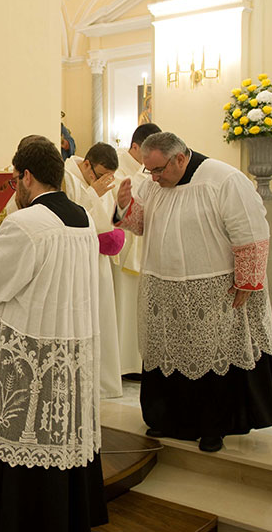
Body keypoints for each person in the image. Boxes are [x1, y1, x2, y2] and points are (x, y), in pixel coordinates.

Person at [0, 135, 107, 532]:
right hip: (67, 349)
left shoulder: (27, 222)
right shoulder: (83, 218)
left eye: (17, 178)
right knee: (58, 438)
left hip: (30, 354)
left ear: (27, 176)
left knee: (25, 437)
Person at [115, 132, 272, 452]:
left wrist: (248, 279)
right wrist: (126, 206)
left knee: (211, 356)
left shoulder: (223, 179)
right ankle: (167, 418)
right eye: (148, 170)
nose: (152, 177)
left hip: (213, 288)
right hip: (161, 287)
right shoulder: (153, 184)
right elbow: (142, 224)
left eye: (158, 170)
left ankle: (213, 427)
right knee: (165, 351)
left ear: (180, 158)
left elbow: (250, 229)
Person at [62, 142, 122, 398]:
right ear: (86, 164)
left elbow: (107, 215)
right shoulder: (66, 177)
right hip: (77, 261)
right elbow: (69, 216)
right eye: (98, 175)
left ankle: (104, 381)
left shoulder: (101, 179)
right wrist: (92, 193)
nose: (102, 181)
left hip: (99, 261)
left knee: (103, 318)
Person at [113, 123, 161, 378]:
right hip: (123, 248)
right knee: (125, 304)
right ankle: (124, 364)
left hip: (145, 246)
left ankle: (141, 360)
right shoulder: (118, 167)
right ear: (134, 147)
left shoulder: (146, 171)